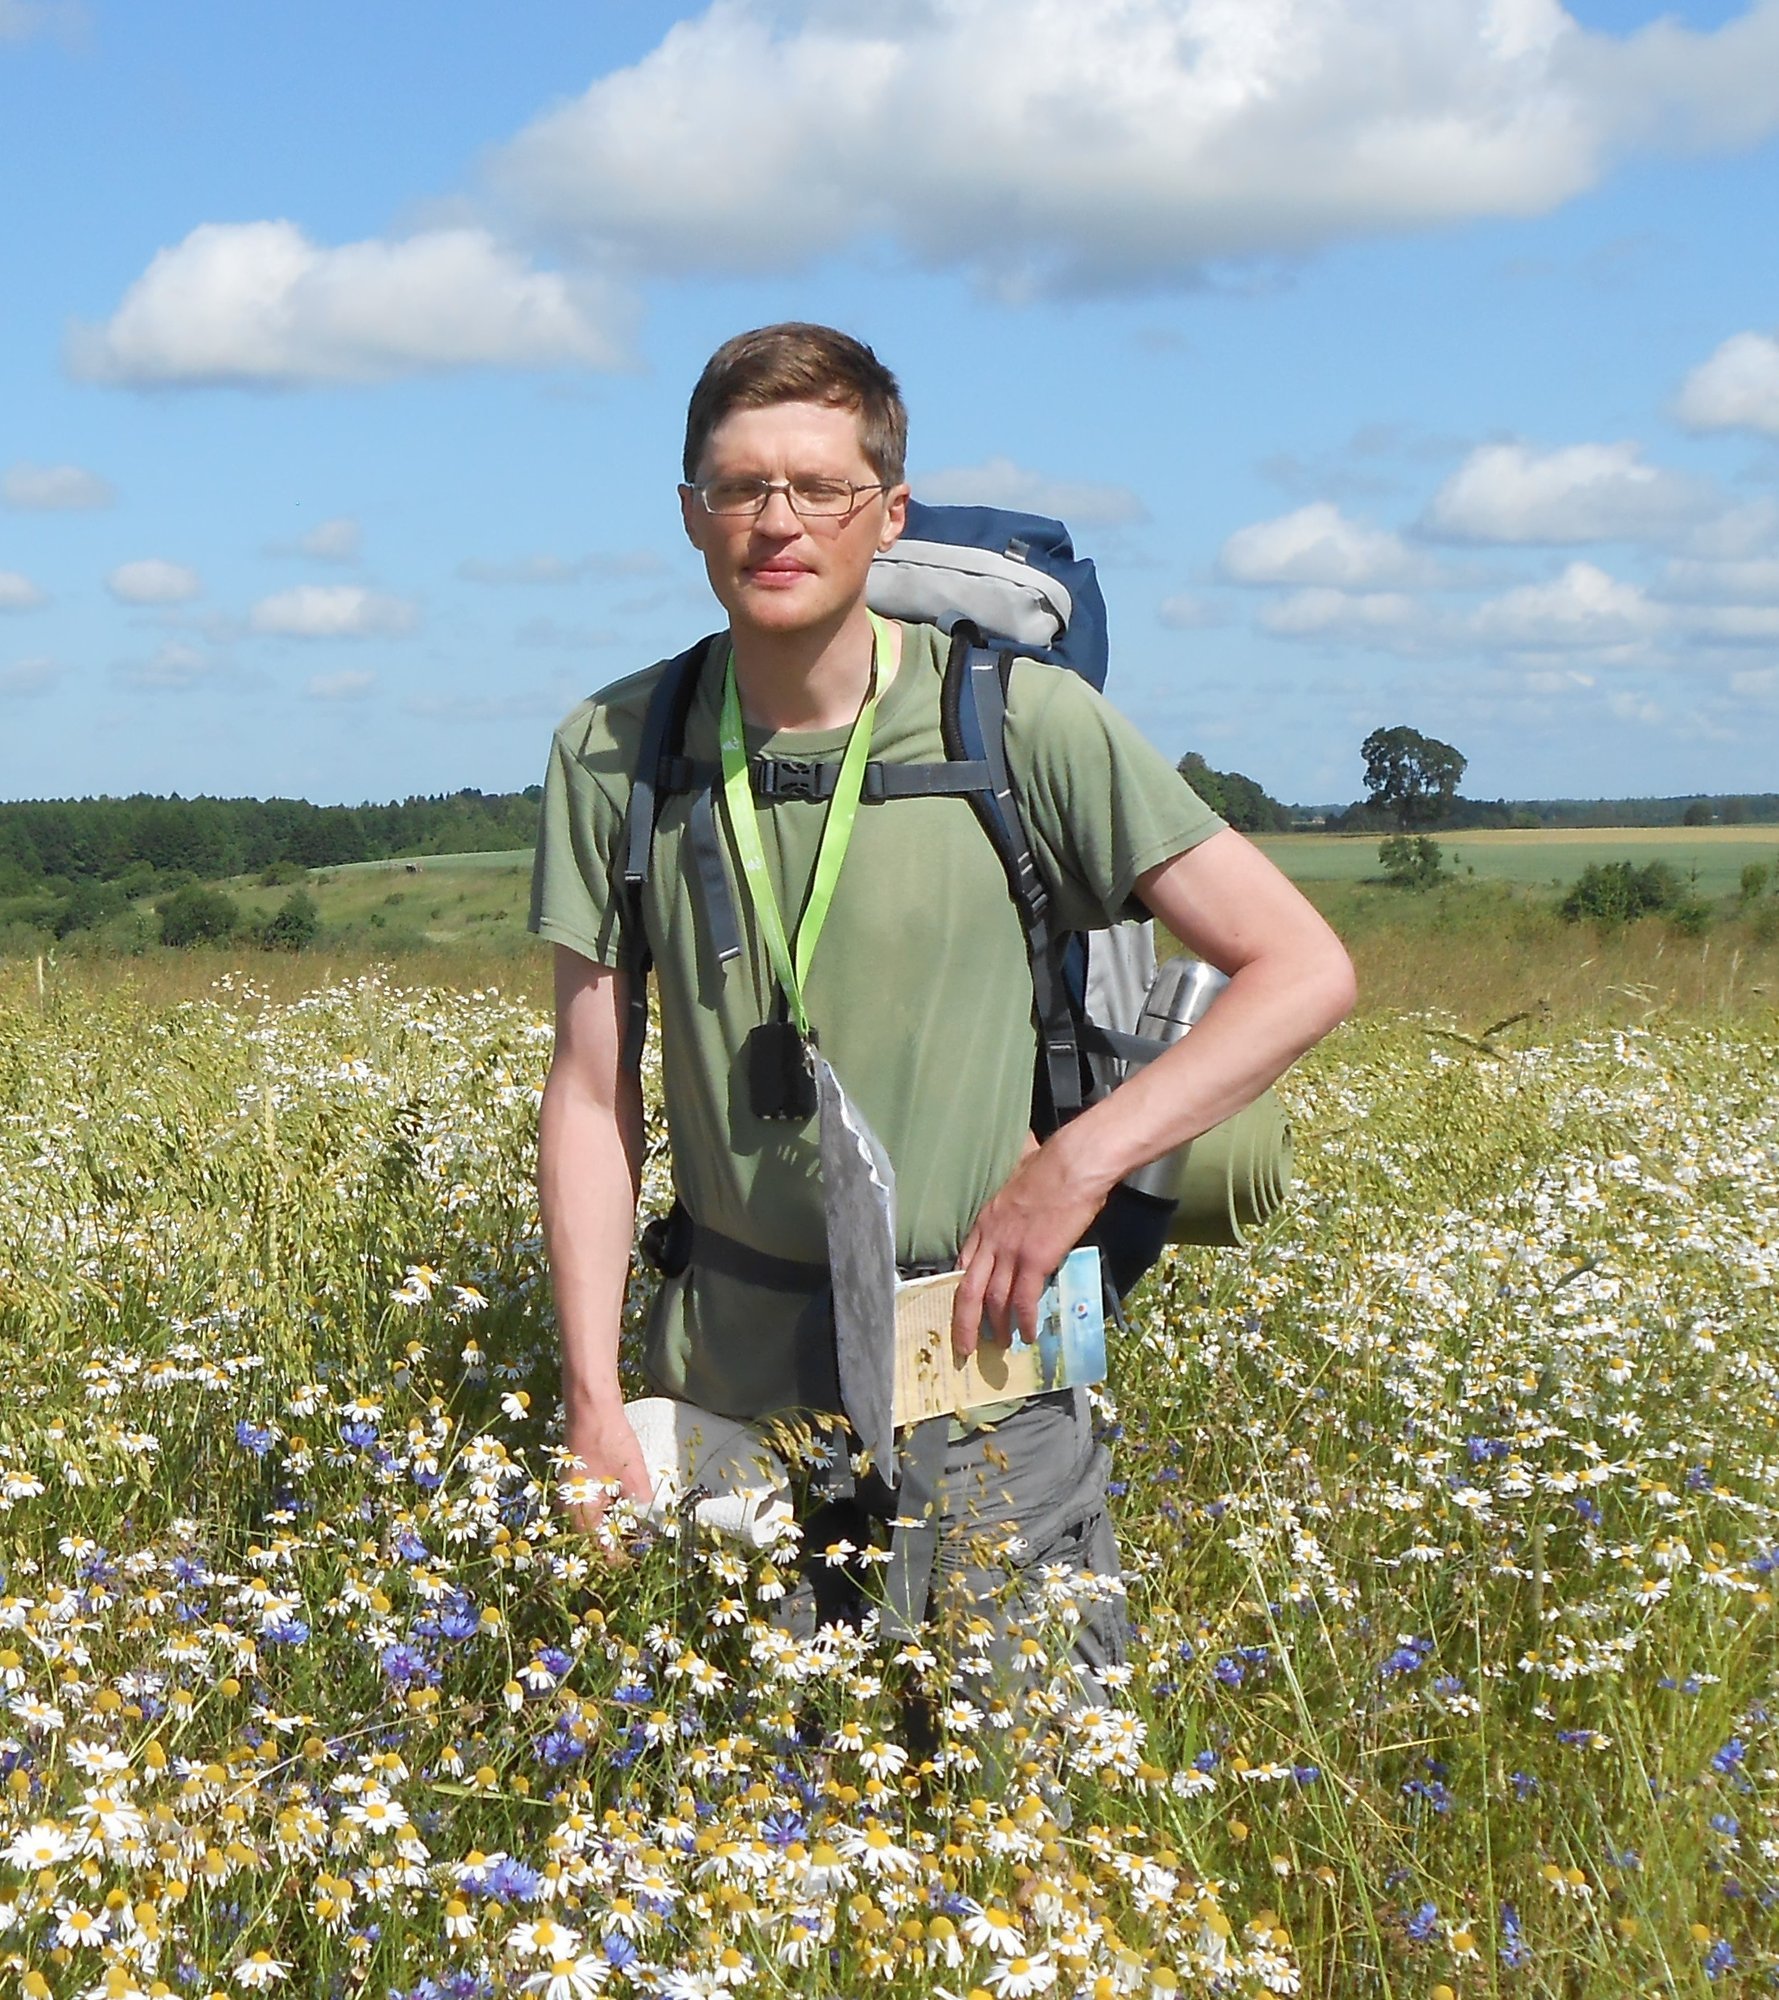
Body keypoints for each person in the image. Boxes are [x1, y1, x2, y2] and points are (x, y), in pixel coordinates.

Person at [530, 322, 1354, 1682]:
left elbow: (1305, 966)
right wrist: (591, 1399)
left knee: (1018, 1777)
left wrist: (1076, 1168)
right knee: (775, 1787)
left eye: (822, 488)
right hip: (733, 1399)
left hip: (985, 1384)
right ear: (689, 512)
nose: (777, 523)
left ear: (890, 511)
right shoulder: (617, 751)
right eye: (739, 488)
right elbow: (589, 1087)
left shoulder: (1020, 726)